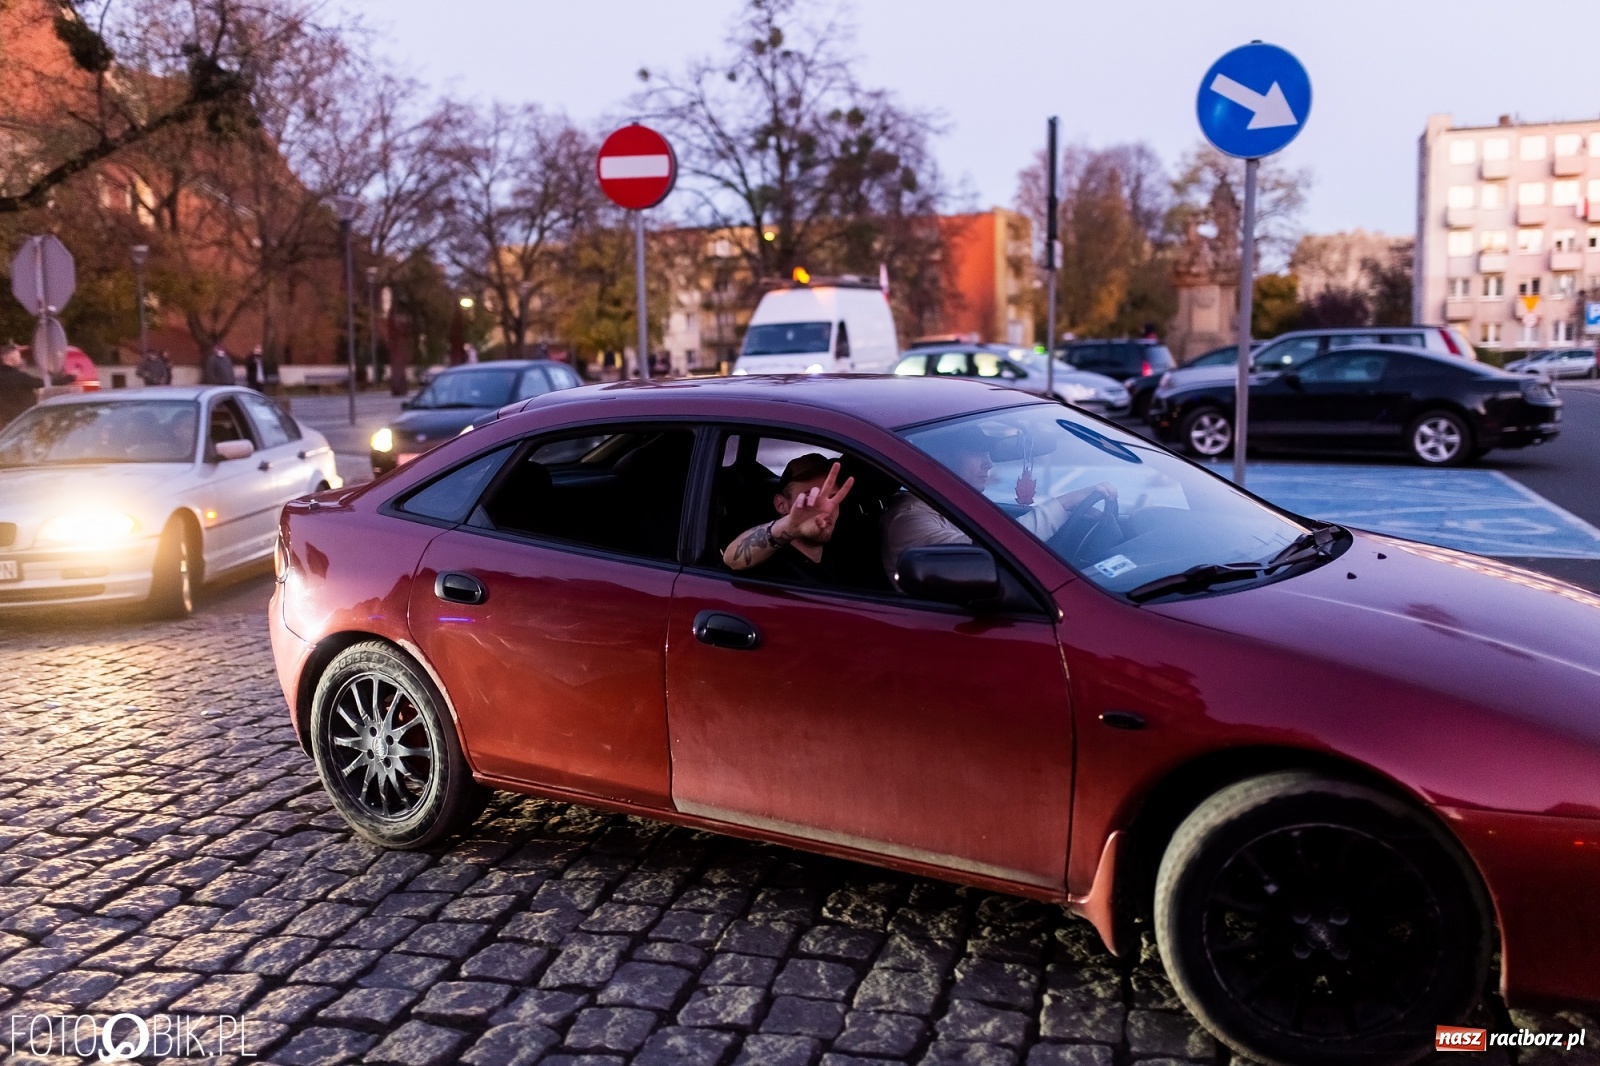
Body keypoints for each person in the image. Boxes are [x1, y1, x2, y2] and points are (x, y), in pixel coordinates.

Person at [881, 425, 1116, 578]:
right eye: (977, 453)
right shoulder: (909, 520)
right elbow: (990, 549)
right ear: (939, 458)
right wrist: (1065, 503)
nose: (989, 464)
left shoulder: (949, 503)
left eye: (988, 454)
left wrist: (1070, 515)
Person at [721, 453, 856, 586]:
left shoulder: (849, 550)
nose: (826, 510)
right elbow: (732, 559)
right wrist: (791, 526)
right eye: (811, 499)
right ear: (781, 505)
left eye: (832, 498)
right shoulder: (771, 565)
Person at [0, 343, 72, 428]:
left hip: (7, 424)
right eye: (18, 355)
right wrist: (69, 378)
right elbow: (43, 383)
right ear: (11, 357)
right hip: (24, 420)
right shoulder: (19, 377)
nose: (20, 358)